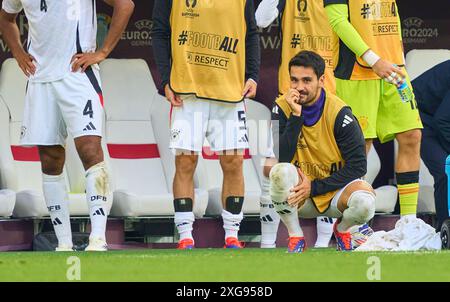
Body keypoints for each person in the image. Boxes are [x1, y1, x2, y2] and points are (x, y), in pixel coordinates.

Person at [0, 0, 134, 251]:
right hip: (40, 79)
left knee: (90, 150)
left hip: (77, 76)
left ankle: (98, 239)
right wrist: (17, 52)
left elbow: (124, 5)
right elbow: (6, 18)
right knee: (50, 159)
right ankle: (63, 243)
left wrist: (102, 52)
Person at [152, 0, 260, 249]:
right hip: (186, 93)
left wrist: (253, 74)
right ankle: (185, 235)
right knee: (185, 161)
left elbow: (251, 32)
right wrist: (166, 79)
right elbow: (159, 31)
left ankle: (232, 234)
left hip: (229, 93)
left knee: (233, 162)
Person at [324, 0, 423, 221]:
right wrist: (374, 59)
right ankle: (353, 225)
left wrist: (395, 56)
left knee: (411, 135)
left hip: (393, 66)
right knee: (360, 147)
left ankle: (409, 224)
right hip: (358, 71)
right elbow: (337, 19)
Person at [270, 50, 375, 252]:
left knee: (365, 203)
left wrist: (316, 187)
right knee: (279, 172)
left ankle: (343, 229)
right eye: (294, 80)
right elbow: (281, 157)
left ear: (321, 80)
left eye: (307, 80)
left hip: (335, 192)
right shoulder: (280, 107)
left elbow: (359, 166)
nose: (299, 87)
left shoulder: (340, 113)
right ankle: (296, 237)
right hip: (299, 194)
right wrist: (295, 115)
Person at [255, 0, 337, 248]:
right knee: (274, 167)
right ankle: (267, 244)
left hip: (328, 98)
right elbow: (261, 19)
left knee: (325, 169)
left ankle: (322, 245)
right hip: (290, 96)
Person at [412, 60, 450, 231]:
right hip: (418, 116)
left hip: (439, 116)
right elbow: (442, 121)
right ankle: (444, 230)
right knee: (444, 172)